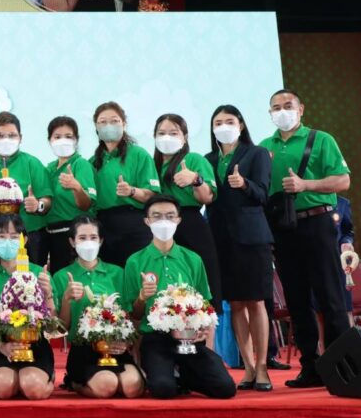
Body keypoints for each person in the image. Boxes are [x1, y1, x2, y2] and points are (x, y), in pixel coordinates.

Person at [260, 89, 351, 388]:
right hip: (283, 228)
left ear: (301, 109)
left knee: (330, 296)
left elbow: (343, 180)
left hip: (318, 222)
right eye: (276, 107)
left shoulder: (321, 139)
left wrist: (305, 185)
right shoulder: (264, 147)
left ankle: (341, 367)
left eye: (288, 105)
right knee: (296, 300)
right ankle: (310, 367)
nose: (282, 111)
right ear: (270, 113)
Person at [123, 195, 236, 399]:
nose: (163, 221)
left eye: (169, 216)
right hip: (156, 338)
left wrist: (204, 333)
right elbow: (135, 316)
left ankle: (184, 376)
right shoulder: (135, 261)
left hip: (189, 338)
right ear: (147, 221)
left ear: (178, 220)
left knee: (225, 388)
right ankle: (167, 375)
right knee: (163, 389)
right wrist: (142, 297)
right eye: (156, 216)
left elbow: (205, 305)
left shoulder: (193, 259)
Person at [204, 104, 274, 391]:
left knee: (256, 301)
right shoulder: (208, 159)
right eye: (218, 122)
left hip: (252, 237)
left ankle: (263, 366)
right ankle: (247, 366)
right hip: (220, 238)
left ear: (241, 125)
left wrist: (244, 184)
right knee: (234, 303)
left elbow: (263, 194)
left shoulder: (257, 153)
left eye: (229, 121)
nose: (223, 126)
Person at [52, 216, 144, 398]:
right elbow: (61, 328)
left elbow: (132, 316)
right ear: (72, 242)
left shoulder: (118, 273)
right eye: (82, 238)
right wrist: (66, 299)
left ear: (101, 241)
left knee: (132, 388)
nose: (88, 243)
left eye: (93, 237)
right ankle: (74, 382)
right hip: (83, 349)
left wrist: (128, 344)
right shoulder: (62, 276)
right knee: (107, 386)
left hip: (116, 345)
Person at [0, 214, 55, 400]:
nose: (8, 242)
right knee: (3, 387)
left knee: (33, 387)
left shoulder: (39, 273)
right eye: (2, 236)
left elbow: (54, 325)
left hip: (35, 343)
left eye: (14, 236)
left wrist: (48, 294)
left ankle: (46, 377)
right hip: (1, 345)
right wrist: (1, 347)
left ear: (24, 240)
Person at [153, 114, 223, 316]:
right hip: (160, 227)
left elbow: (207, 197)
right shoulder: (151, 164)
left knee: (203, 280)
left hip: (190, 224)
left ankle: (206, 331)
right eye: (161, 133)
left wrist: (195, 179)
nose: (167, 137)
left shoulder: (193, 159)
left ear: (184, 137)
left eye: (173, 133)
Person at [89, 102, 160, 267]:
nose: (108, 126)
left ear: (124, 124)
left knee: (138, 272)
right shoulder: (93, 162)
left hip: (133, 223)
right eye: (103, 122)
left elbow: (153, 195)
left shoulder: (139, 154)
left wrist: (132, 191)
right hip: (102, 226)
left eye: (114, 121)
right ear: (96, 127)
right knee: (110, 275)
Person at [0, 112, 53, 258]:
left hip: (31, 237)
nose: (6, 140)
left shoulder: (32, 163)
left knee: (32, 273)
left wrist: (38, 205)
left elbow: (47, 200)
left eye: (12, 135)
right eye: (0, 135)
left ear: (20, 138)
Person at [42, 116, 97, 273]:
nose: (63, 141)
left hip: (75, 235)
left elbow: (86, 205)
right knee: (58, 280)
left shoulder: (81, 164)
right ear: (50, 140)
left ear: (76, 140)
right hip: (52, 236)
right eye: (57, 137)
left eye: (68, 136)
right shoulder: (48, 169)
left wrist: (77, 188)